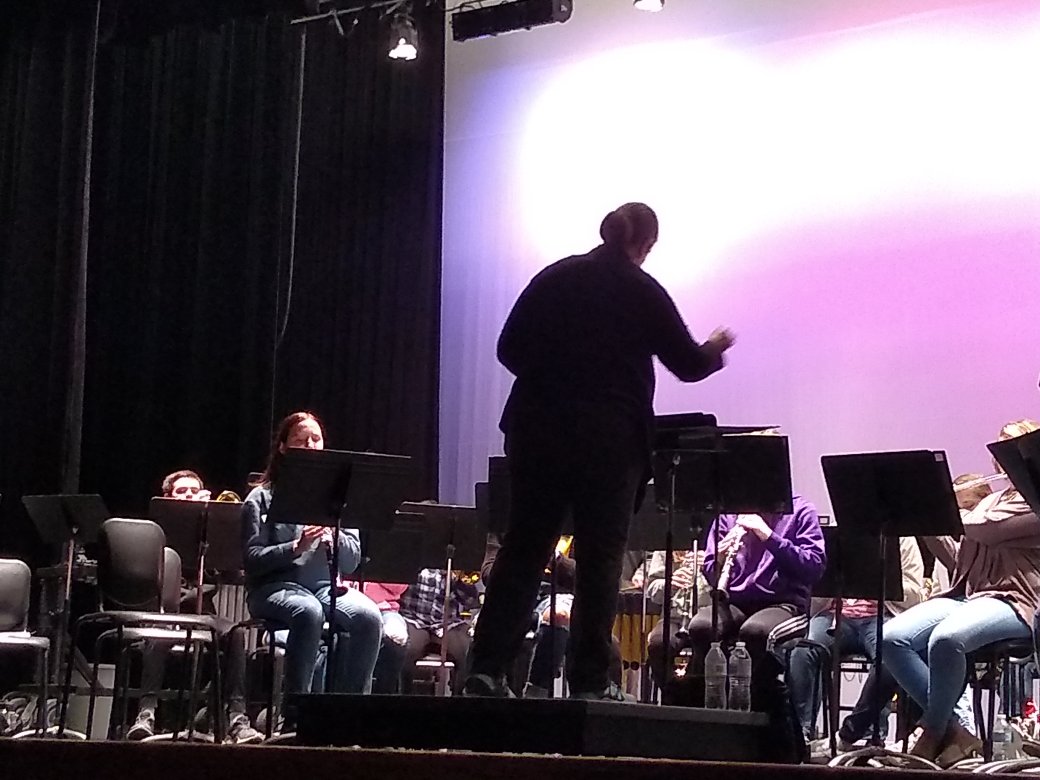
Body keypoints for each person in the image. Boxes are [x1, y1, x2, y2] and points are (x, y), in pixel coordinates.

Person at [463, 202, 735, 700]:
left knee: (524, 549)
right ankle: (590, 682)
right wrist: (716, 346)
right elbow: (689, 363)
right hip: (609, 445)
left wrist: (554, 376)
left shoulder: (556, 277)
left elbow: (508, 349)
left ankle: (485, 669)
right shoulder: (642, 290)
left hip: (537, 433)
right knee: (599, 560)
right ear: (644, 245)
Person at [884, 419, 1040, 767]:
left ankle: (931, 734)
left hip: (1015, 601)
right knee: (891, 637)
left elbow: (987, 531)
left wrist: (935, 505)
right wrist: (924, 524)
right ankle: (956, 730)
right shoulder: (991, 500)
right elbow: (958, 560)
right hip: (969, 596)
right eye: (1001, 455)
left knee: (947, 638)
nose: (1004, 464)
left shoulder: (1033, 505)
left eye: (1014, 452)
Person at [241, 412, 384, 727]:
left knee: (369, 617)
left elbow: (351, 561)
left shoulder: (339, 499)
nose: (310, 446)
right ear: (283, 448)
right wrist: (295, 547)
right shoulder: (261, 498)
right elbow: (252, 559)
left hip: (322, 586)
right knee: (308, 612)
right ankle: (295, 716)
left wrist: (336, 538)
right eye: (300, 440)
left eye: (315, 440)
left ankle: (349, 717)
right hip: (273, 588)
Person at [649, 499, 826, 708]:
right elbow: (711, 573)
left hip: (784, 604)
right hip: (735, 601)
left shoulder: (801, 510)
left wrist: (769, 537)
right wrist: (719, 558)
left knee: (755, 632)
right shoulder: (728, 514)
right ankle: (702, 708)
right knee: (702, 627)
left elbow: (814, 566)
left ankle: (755, 711)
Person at [129, 470, 261, 744]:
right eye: (182, 492)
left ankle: (237, 718)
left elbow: (230, 572)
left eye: (193, 491)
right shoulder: (157, 534)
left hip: (202, 614)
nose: (189, 495)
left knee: (235, 633)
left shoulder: (211, 533)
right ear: (167, 499)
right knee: (157, 633)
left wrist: (214, 526)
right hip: (166, 612)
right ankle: (146, 713)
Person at [787, 535, 926, 754]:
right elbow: (813, 590)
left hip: (883, 615)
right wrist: (830, 584)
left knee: (890, 657)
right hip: (836, 615)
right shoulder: (836, 536)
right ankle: (800, 734)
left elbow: (916, 594)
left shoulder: (902, 540)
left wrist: (881, 581)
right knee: (805, 650)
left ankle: (868, 734)